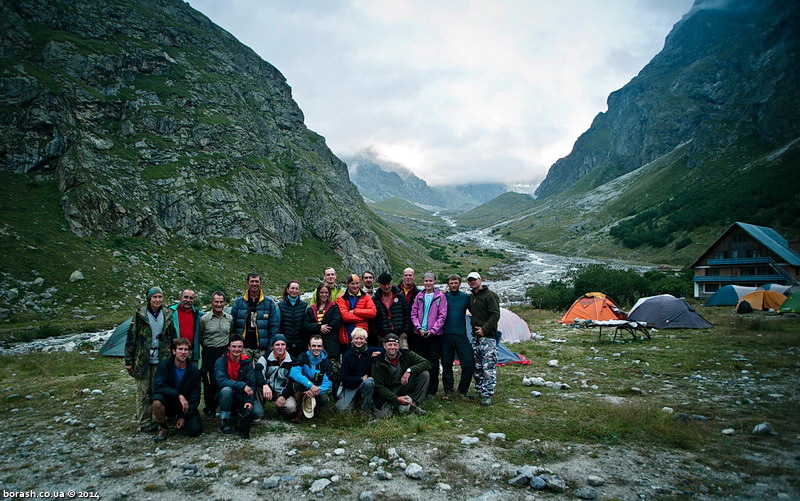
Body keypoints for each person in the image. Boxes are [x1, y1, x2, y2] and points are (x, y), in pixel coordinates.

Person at [125, 286, 172, 432]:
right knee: (143, 391)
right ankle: (144, 422)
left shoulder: (167, 314)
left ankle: (161, 419)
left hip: (161, 358)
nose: (157, 300)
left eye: (160, 297)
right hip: (142, 359)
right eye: (154, 297)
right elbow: (131, 337)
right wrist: (128, 360)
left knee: (158, 390)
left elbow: (171, 336)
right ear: (149, 299)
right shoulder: (140, 315)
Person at [151, 338, 203, 441]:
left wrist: (184, 417)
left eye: (186, 350)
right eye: (180, 349)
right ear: (174, 351)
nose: (183, 352)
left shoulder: (193, 370)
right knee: (156, 402)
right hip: (168, 401)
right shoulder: (164, 366)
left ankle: (180, 419)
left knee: (195, 431)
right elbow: (159, 386)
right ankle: (163, 427)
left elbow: (195, 396)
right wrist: (179, 395)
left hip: (185, 406)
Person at [214, 334, 263, 438]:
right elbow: (221, 381)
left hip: (242, 396)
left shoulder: (247, 361)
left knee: (257, 413)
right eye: (234, 346)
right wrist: (242, 385)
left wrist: (248, 401)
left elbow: (251, 384)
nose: (237, 349)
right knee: (226, 390)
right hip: (226, 395)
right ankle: (225, 421)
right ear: (229, 347)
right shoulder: (220, 361)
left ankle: (238, 414)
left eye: (239, 347)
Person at [372, 334, 431, 417]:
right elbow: (379, 386)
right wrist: (396, 398)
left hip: (404, 385)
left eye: (395, 345)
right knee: (384, 416)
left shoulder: (407, 354)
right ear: (384, 346)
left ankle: (415, 404)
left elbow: (426, 363)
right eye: (389, 345)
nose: (392, 347)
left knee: (424, 374)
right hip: (389, 390)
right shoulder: (378, 362)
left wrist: (409, 370)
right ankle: (398, 404)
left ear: (399, 345)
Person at [410, 272, 448, 397]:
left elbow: (442, 316)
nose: (428, 283)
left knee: (433, 362)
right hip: (419, 334)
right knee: (420, 361)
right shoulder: (419, 296)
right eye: (426, 281)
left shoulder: (440, 297)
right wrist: (419, 328)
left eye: (430, 281)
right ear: (423, 282)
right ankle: (421, 388)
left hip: (435, 335)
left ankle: (432, 390)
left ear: (434, 282)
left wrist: (433, 330)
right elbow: (413, 314)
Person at [466, 272, 501, 406]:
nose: (472, 282)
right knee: (478, 365)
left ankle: (487, 394)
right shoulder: (472, 297)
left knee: (488, 365)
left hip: (488, 337)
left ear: (480, 280)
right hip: (476, 336)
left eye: (474, 279)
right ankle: (480, 390)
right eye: (470, 280)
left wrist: (484, 329)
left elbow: (495, 315)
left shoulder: (490, 295)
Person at [230, 272, 280, 361]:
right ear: (247, 283)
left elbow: (274, 326)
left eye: (256, 281)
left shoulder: (269, 303)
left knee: (261, 373)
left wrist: (270, 347)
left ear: (260, 283)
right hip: (243, 348)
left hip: (261, 348)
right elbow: (232, 325)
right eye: (252, 281)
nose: (254, 284)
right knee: (243, 373)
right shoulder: (238, 302)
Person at [198, 291, 233, 418]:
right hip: (209, 351)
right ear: (212, 302)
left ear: (225, 303)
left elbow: (231, 334)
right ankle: (210, 408)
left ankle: (223, 404)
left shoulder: (229, 318)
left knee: (223, 379)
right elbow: (200, 336)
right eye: (216, 302)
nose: (219, 304)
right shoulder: (204, 319)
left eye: (221, 302)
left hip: (224, 351)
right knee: (209, 381)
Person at [441, 274, 475, 399]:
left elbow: (476, 312)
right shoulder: (443, 296)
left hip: (461, 334)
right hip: (446, 335)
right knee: (446, 363)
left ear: (460, 283)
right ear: (448, 284)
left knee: (468, 363)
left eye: (456, 283)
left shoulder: (466, 298)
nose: (454, 285)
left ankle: (462, 390)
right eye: (451, 283)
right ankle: (448, 390)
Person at [305, 282, 342, 394]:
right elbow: (306, 324)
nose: (324, 295)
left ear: (329, 294)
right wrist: (319, 327)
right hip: (315, 344)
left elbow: (336, 322)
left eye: (326, 292)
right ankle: (316, 392)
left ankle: (334, 394)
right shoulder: (312, 308)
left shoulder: (334, 307)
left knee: (333, 369)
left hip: (331, 343)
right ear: (318, 293)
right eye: (322, 292)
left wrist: (325, 327)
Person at [289, 335, 333, 423]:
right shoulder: (303, 356)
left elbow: (328, 383)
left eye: (319, 346)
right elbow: (293, 372)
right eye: (313, 346)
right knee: (297, 384)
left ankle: (314, 409)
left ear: (322, 347)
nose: (316, 348)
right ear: (309, 347)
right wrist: (310, 385)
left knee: (324, 399)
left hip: (317, 389)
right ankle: (299, 412)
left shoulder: (326, 362)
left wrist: (316, 390)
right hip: (305, 387)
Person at [336, 328, 382, 413]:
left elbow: (389, 351)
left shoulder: (371, 351)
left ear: (365, 340)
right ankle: (355, 402)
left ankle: (365, 410)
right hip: (351, 385)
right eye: (356, 338)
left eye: (361, 339)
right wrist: (360, 379)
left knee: (369, 381)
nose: (359, 341)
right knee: (342, 411)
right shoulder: (347, 355)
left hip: (365, 384)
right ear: (352, 340)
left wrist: (381, 355)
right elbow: (344, 378)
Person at [254, 334, 298, 419]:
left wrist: (283, 396)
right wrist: (264, 384)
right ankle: (259, 410)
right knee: (256, 386)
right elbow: (257, 371)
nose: (280, 347)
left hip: (281, 391)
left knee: (291, 408)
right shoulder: (265, 358)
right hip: (266, 389)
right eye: (277, 344)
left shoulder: (292, 361)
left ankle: (280, 408)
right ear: (272, 347)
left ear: (286, 346)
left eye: (283, 344)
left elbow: (292, 382)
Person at [336, 274, 377, 354]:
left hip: (362, 335)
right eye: (352, 284)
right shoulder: (341, 298)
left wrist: (355, 311)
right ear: (347, 284)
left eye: (357, 283)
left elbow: (372, 312)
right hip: (347, 336)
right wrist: (364, 318)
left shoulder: (366, 296)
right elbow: (345, 316)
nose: (355, 286)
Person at [371, 272, 411, 348]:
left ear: (391, 283)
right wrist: (377, 335)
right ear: (379, 285)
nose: (386, 286)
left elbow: (407, 314)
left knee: (404, 355)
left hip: (401, 334)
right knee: (385, 358)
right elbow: (373, 319)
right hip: (383, 336)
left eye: (388, 284)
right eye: (384, 284)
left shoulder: (400, 296)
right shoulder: (375, 299)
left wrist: (405, 332)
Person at [166, 289, 202, 363]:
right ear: (180, 297)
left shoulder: (198, 314)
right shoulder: (170, 312)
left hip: (191, 352)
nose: (188, 300)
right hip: (174, 352)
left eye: (191, 298)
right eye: (185, 297)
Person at [277, 280, 309, 357]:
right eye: (292, 288)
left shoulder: (304, 306)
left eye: (296, 289)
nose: (294, 291)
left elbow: (307, 325)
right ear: (288, 290)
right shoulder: (280, 306)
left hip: (301, 345)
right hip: (285, 345)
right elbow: (277, 325)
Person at [398, 268, 421, 351]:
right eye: (406, 275)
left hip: (414, 327)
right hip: (400, 326)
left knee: (414, 351)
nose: (408, 277)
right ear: (402, 277)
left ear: (413, 277)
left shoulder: (419, 293)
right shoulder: (395, 291)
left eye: (410, 275)